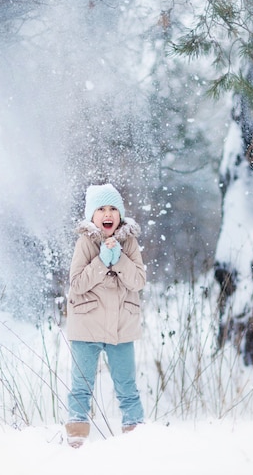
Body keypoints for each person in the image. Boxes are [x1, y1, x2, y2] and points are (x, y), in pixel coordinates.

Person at [65, 183, 146, 448]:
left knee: (127, 386)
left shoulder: (130, 242)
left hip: (121, 326)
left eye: (113, 208)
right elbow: (77, 284)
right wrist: (102, 261)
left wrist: (119, 258)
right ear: (92, 216)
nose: (107, 213)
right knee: (81, 385)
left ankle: (136, 435)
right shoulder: (84, 243)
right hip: (87, 325)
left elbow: (138, 281)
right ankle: (76, 437)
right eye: (101, 209)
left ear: (120, 215)